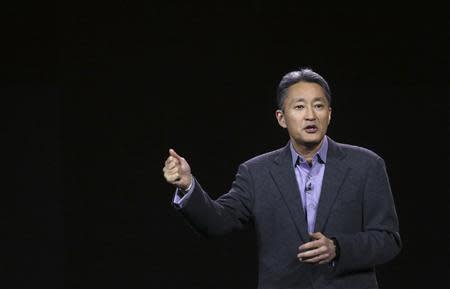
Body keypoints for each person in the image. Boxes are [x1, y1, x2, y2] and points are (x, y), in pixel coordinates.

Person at [163, 68, 401, 289]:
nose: (310, 115)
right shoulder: (257, 173)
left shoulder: (366, 165)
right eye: (299, 107)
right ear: (281, 118)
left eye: (318, 106)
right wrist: (187, 185)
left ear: (329, 114)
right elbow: (217, 222)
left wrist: (338, 248)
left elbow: (388, 240)